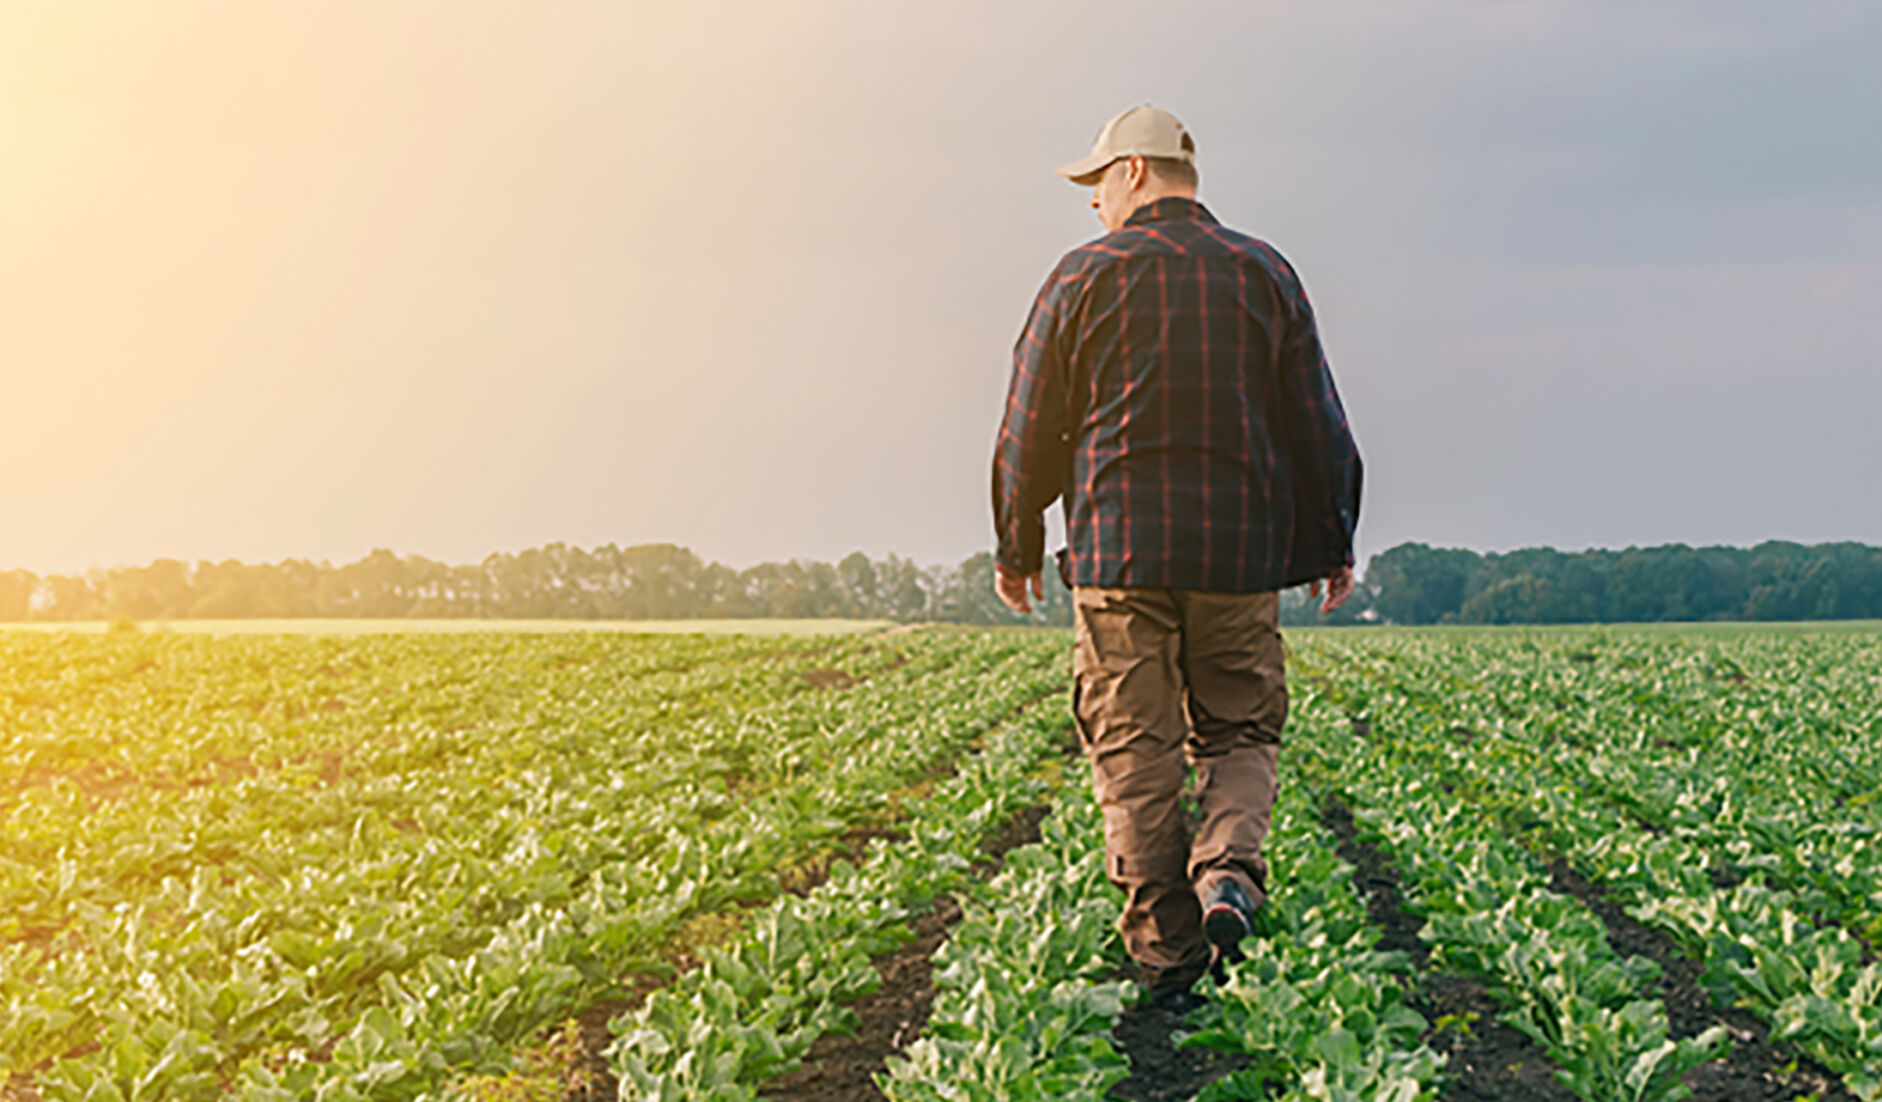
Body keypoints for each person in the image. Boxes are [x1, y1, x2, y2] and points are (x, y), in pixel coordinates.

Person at [990, 104, 1362, 1010]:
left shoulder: (1082, 277)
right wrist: (1331, 539)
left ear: (1134, 174)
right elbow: (1316, 419)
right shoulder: (1264, 271)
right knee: (1240, 729)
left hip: (1120, 557)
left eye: (1097, 185)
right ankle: (1229, 871)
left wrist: (1018, 542)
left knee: (1134, 750)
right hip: (1239, 558)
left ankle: (1168, 957)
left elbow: (1028, 427)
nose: (1093, 206)